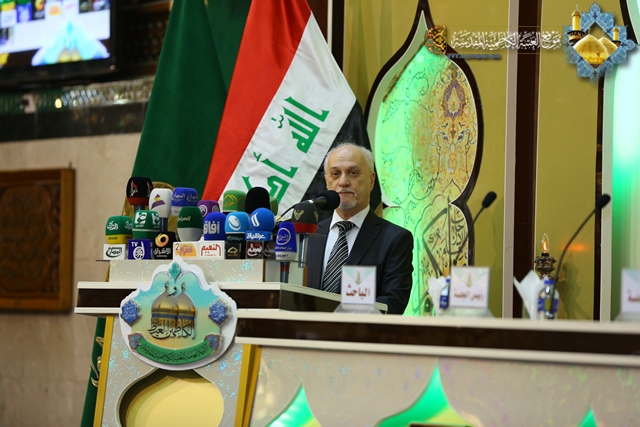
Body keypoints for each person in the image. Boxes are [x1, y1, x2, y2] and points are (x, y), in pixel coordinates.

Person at [306, 143, 413, 314]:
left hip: (361, 330)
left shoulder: (395, 239)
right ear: (327, 182)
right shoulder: (307, 234)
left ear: (371, 180)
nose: (343, 182)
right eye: (336, 174)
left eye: (353, 173)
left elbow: (393, 303)